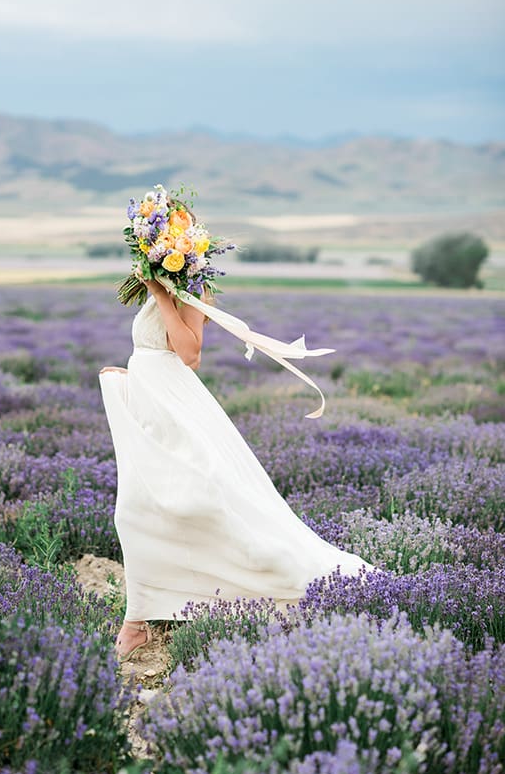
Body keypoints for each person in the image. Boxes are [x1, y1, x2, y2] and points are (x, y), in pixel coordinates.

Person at [99, 271, 379, 662]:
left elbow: (189, 355)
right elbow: (154, 351)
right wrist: (129, 376)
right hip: (150, 405)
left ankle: (150, 617)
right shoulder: (164, 282)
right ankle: (141, 619)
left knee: (186, 503)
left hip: (173, 407)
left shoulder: (191, 287)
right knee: (135, 510)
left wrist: (160, 295)